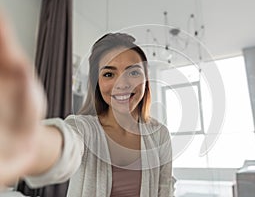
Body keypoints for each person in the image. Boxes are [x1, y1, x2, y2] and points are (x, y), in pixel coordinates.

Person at [0, 14, 173, 197]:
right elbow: (68, 147)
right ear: (96, 83)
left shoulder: (159, 135)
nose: (122, 84)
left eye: (134, 72)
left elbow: (166, 189)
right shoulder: (83, 128)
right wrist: (27, 143)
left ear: (147, 79)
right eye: (108, 74)